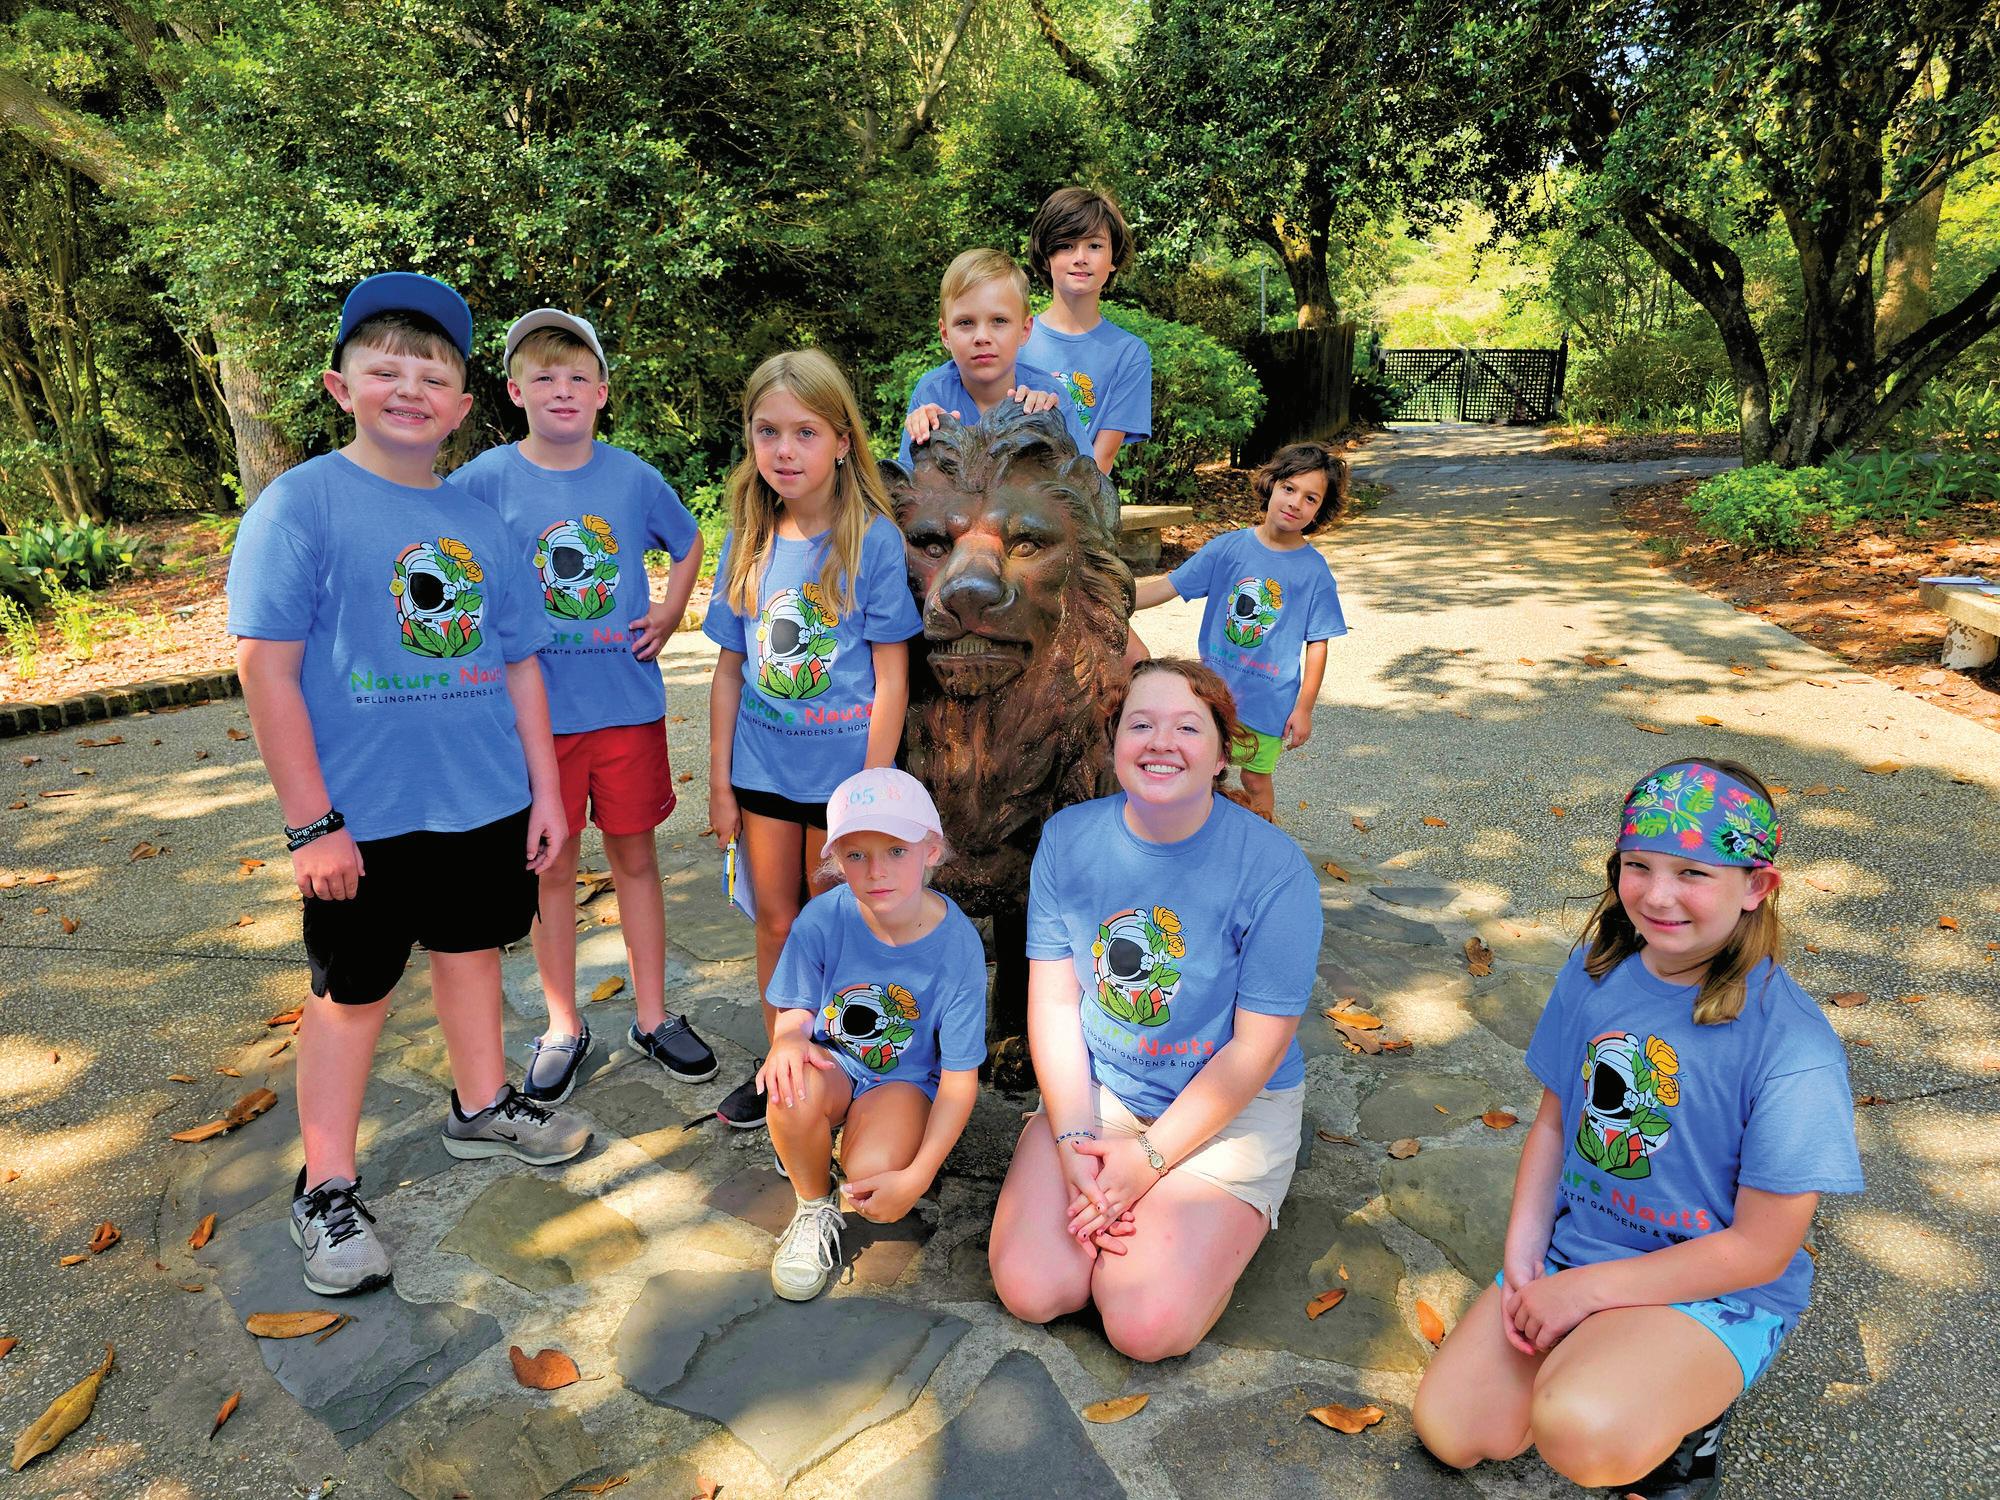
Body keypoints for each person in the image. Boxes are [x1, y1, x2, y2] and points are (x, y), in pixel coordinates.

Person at [228, 273, 591, 1297]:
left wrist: (546, 794)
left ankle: (481, 1105)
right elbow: (266, 670)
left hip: (484, 797)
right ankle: (326, 1185)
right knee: (352, 995)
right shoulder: (300, 505)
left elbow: (519, 661)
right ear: (339, 388)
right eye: (384, 371)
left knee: (473, 953)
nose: (409, 391)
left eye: (432, 377)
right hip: (364, 818)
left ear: (463, 405)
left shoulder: (479, 521)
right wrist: (313, 825)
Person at [1412, 759, 1864, 1498]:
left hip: (1710, 1285)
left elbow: (1761, 1248)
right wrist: (1525, 1253)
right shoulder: (1596, 971)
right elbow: (1556, 1122)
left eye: (1693, 873)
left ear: (1756, 885)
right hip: (1581, 1251)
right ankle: (1617, 1364)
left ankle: (1691, 1422)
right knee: (1455, 1432)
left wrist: (1586, 1295)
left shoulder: (1794, 1049)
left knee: (1584, 1431)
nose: (1657, 895)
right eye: (1638, 865)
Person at [987, 658, 1322, 1361]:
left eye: (1188, 728)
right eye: (1140, 724)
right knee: (1032, 1287)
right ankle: (1099, 1182)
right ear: (1114, 743)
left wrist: (1146, 1163)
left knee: (1145, 1325)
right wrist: (1072, 1138)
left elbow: (1255, 1048)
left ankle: (1204, 1217)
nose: (1161, 742)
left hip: (1228, 1111)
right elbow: (1054, 1002)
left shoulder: (1275, 869)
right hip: (1104, 1091)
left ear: (1223, 754)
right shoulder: (1068, 840)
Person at [450, 308, 717, 1104]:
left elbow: (689, 541)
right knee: (554, 869)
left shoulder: (632, 477)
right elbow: (444, 551)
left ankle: (653, 1015)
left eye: (577, 377)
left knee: (635, 859)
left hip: (626, 709)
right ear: (514, 391)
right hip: (536, 725)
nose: (561, 390)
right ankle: (563, 1024)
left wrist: (671, 610)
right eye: (543, 377)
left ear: (602, 392)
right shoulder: (486, 480)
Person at [704, 349, 923, 1131]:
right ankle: (782, 1065)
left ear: (841, 441)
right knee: (776, 921)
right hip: (764, 774)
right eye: (768, 431)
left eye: (805, 432)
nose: (785, 450)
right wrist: (720, 783)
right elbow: (730, 670)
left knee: (838, 924)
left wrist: (868, 796)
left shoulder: (873, 543)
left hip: (843, 783)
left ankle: (845, 1066)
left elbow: (892, 677)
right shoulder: (748, 540)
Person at [757, 768, 986, 1301]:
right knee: (789, 1088)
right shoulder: (822, 918)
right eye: (856, 855)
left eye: (896, 851)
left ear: (931, 850)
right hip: (835, 1062)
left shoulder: (958, 947)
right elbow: (795, 1008)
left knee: (874, 1180)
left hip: (905, 1080)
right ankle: (813, 1204)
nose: (876, 871)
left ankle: (843, 1139)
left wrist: (920, 1175)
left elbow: (960, 1080)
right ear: (837, 861)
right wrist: (788, 1039)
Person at [1131, 442, 1348, 820]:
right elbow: (1170, 586)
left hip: (1268, 704)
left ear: (1320, 510)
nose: (1295, 502)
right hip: (1212, 696)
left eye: (1310, 498)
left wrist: (1304, 708)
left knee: (1254, 780)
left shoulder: (1314, 572)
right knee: (1198, 770)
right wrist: (1116, 601)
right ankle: (1194, 832)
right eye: (1289, 488)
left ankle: (1263, 841)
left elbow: (1318, 643)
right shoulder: (1227, 549)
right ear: (1272, 484)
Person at [898, 248, 1094, 471]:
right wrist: (924, 436)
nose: (982, 337)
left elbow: (1085, 479)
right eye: (965, 323)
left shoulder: (1049, 395)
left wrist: (1051, 426)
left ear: (1024, 329)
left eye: (999, 321)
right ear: (945, 334)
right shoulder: (932, 394)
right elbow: (910, 484)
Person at [1022, 186, 1152, 477]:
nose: (1080, 257)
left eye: (1094, 246)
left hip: (1080, 498)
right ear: (1045, 256)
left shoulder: (1129, 354)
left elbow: (1100, 463)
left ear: (1113, 258)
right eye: (1066, 245)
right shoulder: (1013, 340)